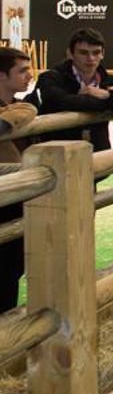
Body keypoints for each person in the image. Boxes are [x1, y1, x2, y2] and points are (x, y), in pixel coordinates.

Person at [28, 27, 113, 155]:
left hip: (98, 161)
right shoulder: (50, 78)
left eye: (96, 53)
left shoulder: (111, 82)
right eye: (83, 53)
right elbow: (59, 102)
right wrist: (110, 101)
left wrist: (109, 96)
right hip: (57, 159)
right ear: (70, 53)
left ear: (103, 54)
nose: (91, 58)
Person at [0, 47, 37, 313]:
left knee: (11, 268)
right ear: (2, 76)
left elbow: (25, 110)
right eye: (22, 70)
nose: (29, 75)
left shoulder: (18, 106)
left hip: (14, 196)